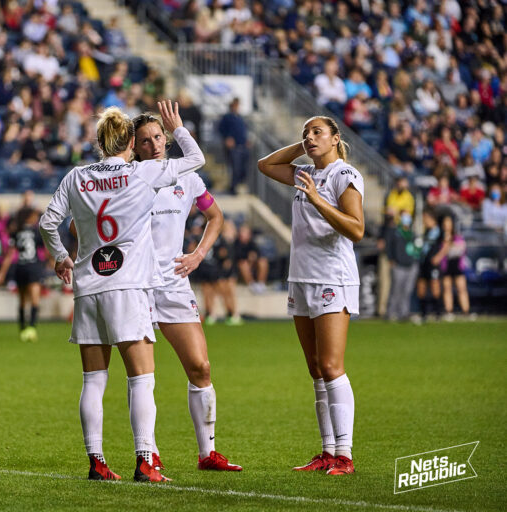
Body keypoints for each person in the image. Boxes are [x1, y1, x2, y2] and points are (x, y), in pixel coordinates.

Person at [39, 101, 205, 482]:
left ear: (100, 141)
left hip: (87, 287)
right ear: (131, 141)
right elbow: (195, 158)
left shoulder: (76, 177)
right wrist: (176, 128)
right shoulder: (143, 173)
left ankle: (96, 462)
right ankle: (145, 460)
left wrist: (62, 257)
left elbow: (48, 222)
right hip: (128, 287)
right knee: (141, 379)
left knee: (94, 380)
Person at [131, 111, 241, 471]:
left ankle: (207, 453)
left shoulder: (187, 177)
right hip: (138, 285)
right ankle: (149, 451)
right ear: (135, 146)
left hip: (175, 283)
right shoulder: (130, 177)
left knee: (200, 366)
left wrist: (198, 254)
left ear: (167, 138)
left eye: (158, 137)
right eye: (145, 140)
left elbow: (216, 217)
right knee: (142, 375)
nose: (154, 145)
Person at [258, 115, 364, 476]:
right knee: (316, 369)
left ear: (336, 138)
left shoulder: (344, 175)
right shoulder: (305, 172)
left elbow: (357, 229)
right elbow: (266, 165)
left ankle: (345, 455)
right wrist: (301, 147)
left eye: (318, 132)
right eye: (306, 132)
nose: (310, 136)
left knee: (333, 367)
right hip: (301, 278)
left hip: (332, 277)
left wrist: (318, 201)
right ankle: (327, 451)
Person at [0, 207, 46, 342]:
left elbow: (10, 254)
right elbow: (46, 248)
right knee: (35, 299)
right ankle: (32, 328)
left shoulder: (16, 232)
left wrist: (1, 273)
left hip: (21, 267)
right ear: (29, 216)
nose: (37, 218)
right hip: (33, 266)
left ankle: (23, 329)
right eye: (35, 215)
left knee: (22, 300)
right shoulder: (37, 231)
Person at [432, 214, 471, 321]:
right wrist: (446, 245)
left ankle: (466, 311)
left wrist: (450, 244)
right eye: (445, 224)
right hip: (446, 266)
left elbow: (461, 250)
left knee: (461, 288)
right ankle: (449, 311)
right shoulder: (440, 238)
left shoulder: (457, 237)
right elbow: (441, 252)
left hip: (457, 265)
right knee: (447, 289)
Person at [385, 210, 420, 321]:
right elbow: (389, 246)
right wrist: (391, 259)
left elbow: (416, 248)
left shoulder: (413, 233)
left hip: (410, 265)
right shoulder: (395, 232)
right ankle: (391, 313)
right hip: (398, 264)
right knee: (396, 290)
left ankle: (403, 313)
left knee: (407, 291)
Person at [416, 207, 442, 322]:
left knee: (435, 286)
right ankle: (423, 314)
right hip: (424, 262)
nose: (424, 221)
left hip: (433, 264)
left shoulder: (438, 231)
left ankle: (438, 313)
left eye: (425, 218)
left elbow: (446, 245)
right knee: (421, 287)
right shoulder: (426, 232)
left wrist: (438, 257)